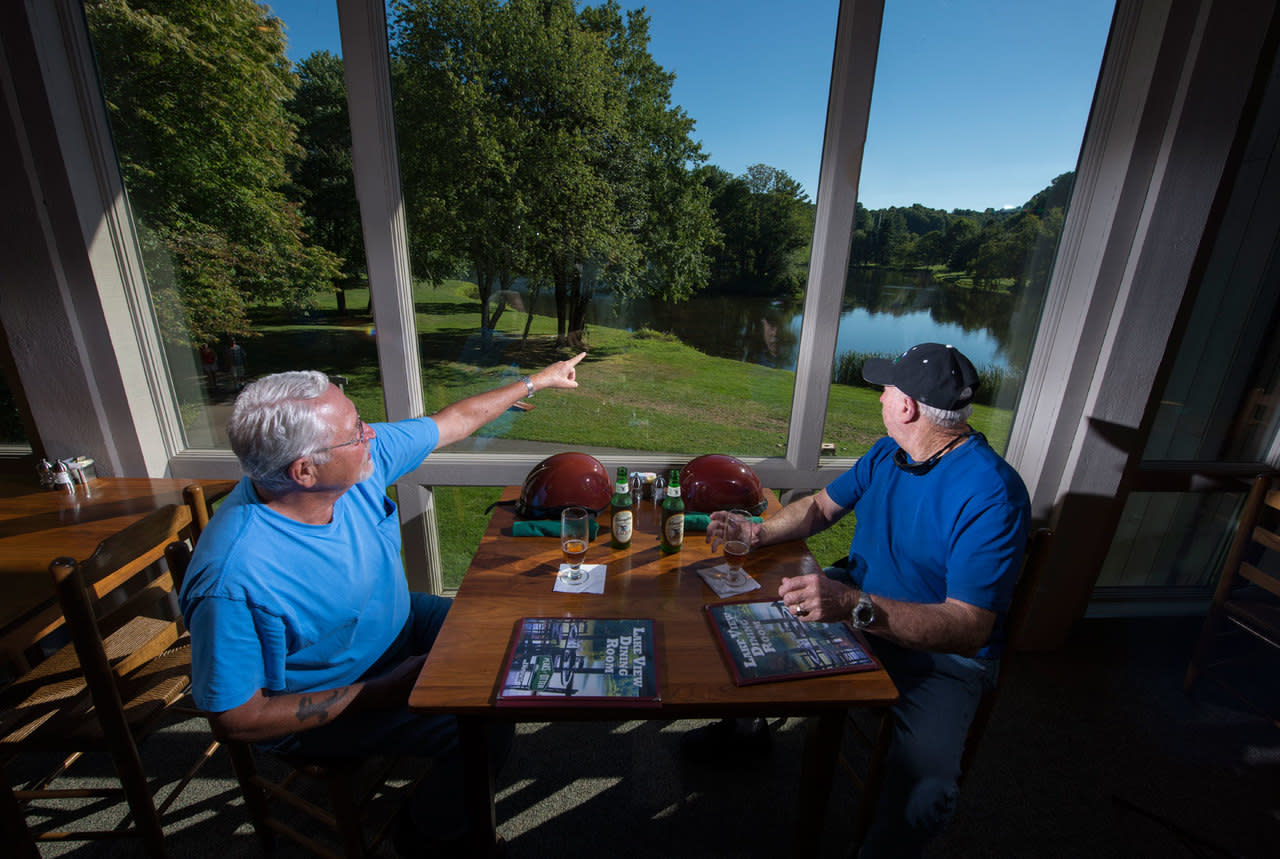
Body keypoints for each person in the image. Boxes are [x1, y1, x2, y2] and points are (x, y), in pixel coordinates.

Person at [178, 352, 585, 855]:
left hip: (398, 624)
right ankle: (431, 836)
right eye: (355, 431)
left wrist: (536, 382)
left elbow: (451, 423)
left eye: (362, 421)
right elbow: (236, 719)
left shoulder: (353, 467)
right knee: (484, 719)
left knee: (502, 636)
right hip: (331, 697)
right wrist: (380, 691)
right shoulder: (234, 577)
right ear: (304, 470)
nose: (371, 434)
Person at [695, 342, 1031, 858]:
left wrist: (854, 606)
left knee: (926, 790)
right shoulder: (887, 454)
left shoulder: (992, 493)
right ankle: (745, 731)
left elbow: (969, 626)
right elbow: (819, 510)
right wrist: (757, 531)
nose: (880, 398)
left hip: (940, 657)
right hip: (857, 601)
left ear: (907, 407)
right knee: (743, 617)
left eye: (886, 390)